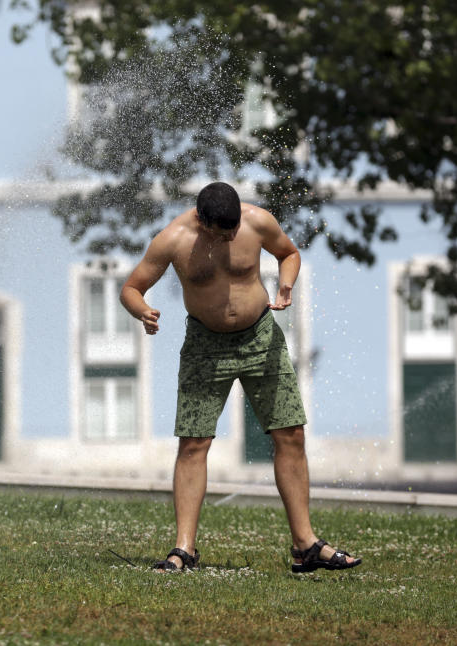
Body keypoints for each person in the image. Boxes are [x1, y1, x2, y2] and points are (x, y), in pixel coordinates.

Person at [120, 181, 362, 573]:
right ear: (201, 220)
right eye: (222, 231)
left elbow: (289, 253)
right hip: (205, 346)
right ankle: (184, 550)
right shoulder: (173, 238)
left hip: (261, 338)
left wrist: (286, 284)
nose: (230, 236)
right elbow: (131, 287)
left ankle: (305, 545)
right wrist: (142, 310)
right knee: (194, 443)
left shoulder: (256, 222)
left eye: (233, 229)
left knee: (290, 432)